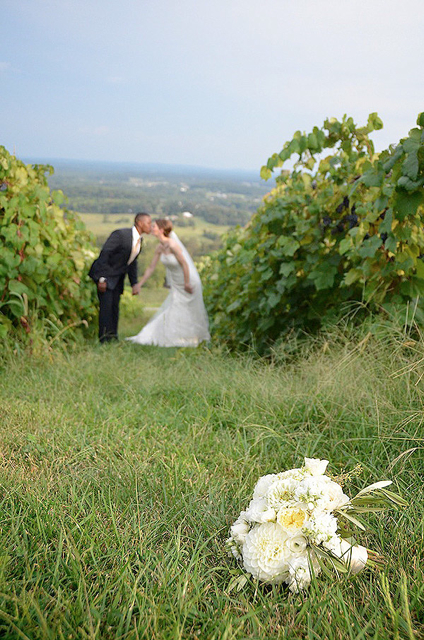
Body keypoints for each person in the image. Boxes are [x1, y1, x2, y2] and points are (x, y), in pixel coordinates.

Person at [127, 218, 210, 347]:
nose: (152, 228)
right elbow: (151, 268)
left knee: (186, 308)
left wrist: (187, 283)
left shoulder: (172, 245)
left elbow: (185, 264)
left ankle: (189, 336)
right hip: (176, 283)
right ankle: (175, 334)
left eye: (154, 226)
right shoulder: (160, 247)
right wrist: (139, 284)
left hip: (187, 281)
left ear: (161, 230)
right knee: (176, 306)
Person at [89, 212, 151, 342]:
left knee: (114, 308)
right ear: (140, 223)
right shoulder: (121, 235)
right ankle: (104, 340)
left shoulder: (139, 240)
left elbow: (132, 262)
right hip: (105, 275)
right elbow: (105, 253)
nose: (151, 226)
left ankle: (113, 337)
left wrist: (134, 283)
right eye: (148, 223)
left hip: (118, 278)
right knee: (106, 308)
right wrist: (101, 278)